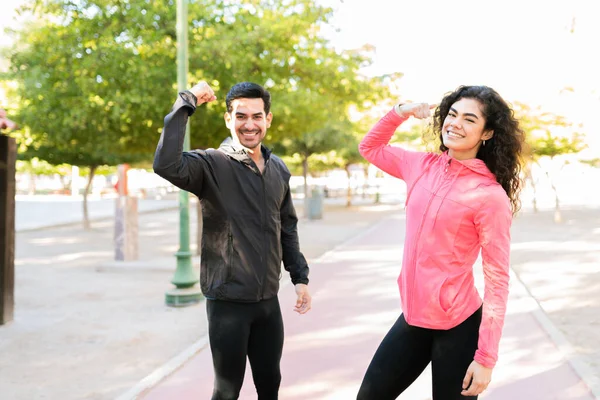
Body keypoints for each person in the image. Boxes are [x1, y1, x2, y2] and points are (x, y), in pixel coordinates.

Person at [356, 85, 525, 400]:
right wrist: (401, 111)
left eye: (469, 119)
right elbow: (370, 147)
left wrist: (485, 358)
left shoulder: (489, 197)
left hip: (459, 324)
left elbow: (497, 280)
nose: (455, 123)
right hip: (413, 317)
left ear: (486, 133)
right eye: (452, 114)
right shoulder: (421, 166)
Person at [153, 81, 312, 400]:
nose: (249, 124)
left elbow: (287, 227)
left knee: (270, 384)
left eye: (256, 116)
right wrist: (186, 102)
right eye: (241, 116)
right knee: (227, 391)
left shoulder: (278, 168)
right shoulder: (210, 164)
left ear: (269, 119)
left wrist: (300, 277)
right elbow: (165, 164)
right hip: (228, 303)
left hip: (267, 301)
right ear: (228, 119)